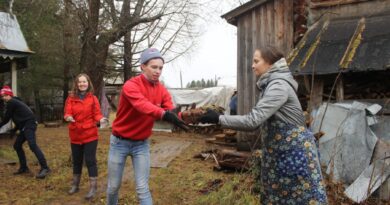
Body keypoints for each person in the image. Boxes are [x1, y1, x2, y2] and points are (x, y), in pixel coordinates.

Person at [198, 46, 328, 205]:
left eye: (256, 61)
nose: (252, 66)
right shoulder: (272, 85)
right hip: (281, 155)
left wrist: (219, 119)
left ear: (271, 64)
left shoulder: (278, 86)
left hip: (294, 155)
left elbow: (253, 121)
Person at [106, 48, 188, 205]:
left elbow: (170, 109)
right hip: (119, 143)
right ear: (143, 66)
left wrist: (184, 117)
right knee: (113, 186)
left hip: (141, 144)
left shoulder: (161, 89)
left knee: (143, 188)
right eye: (154, 67)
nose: (158, 71)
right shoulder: (130, 86)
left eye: (160, 68)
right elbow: (142, 105)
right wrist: (164, 114)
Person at [64, 73, 108, 200]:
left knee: (90, 161)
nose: (82, 84)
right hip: (75, 134)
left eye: (84, 82)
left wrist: (102, 119)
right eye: (80, 82)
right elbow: (67, 112)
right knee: (76, 161)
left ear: (88, 83)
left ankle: (93, 187)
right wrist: (68, 117)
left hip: (90, 135)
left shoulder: (93, 98)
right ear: (76, 84)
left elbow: (97, 114)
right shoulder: (70, 98)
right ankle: (75, 185)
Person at [0, 85, 50, 179]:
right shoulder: (14, 102)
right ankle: (24, 168)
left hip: (29, 124)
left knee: (32, 145)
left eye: (5, 95)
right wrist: (14, 130)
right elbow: (18, 118)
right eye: (2, 96)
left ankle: (45, 168)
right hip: (24, 126)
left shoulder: (12, 102)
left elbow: (7, 118)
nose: (3, 98)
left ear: (10, 95)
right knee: (17, 145)